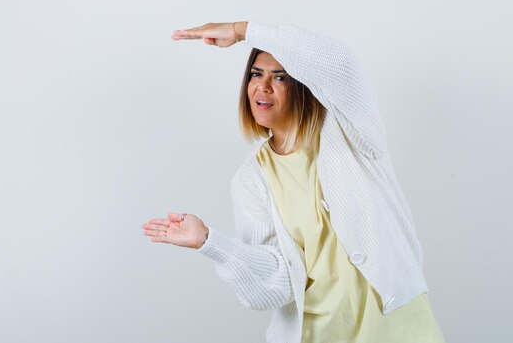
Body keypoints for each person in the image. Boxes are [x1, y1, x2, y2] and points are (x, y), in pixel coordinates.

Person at [142, 21, 447, 343]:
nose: (263, 87)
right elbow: (276, 284)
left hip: (397, 325)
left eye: (281, 77)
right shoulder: (252, 178)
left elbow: (340, 62)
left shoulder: (352, 133)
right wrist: (209, 242)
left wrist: (243, 30)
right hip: (319, 333)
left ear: (304, 84)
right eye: (256, 74)